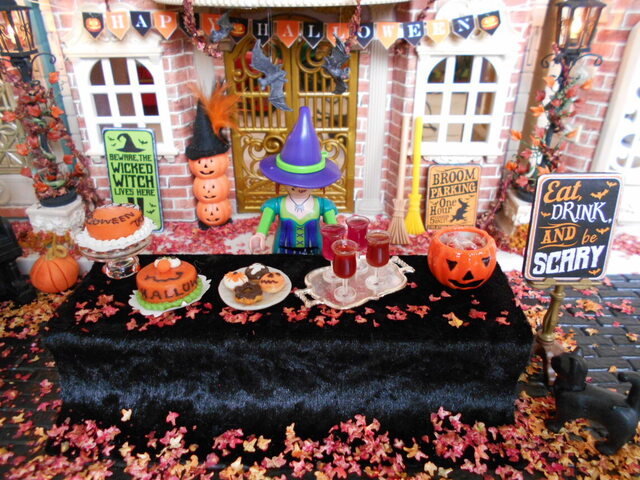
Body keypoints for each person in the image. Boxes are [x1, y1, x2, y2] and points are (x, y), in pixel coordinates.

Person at [249, 107, 341, 255]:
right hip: (282, 253)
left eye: (306, 182)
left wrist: (338, 238)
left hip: (314, 254)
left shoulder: (323, 205)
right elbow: (264, 223)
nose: (299, 187)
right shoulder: (276, 204)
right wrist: (260, 234)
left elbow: (334, 228)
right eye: (292, 181)